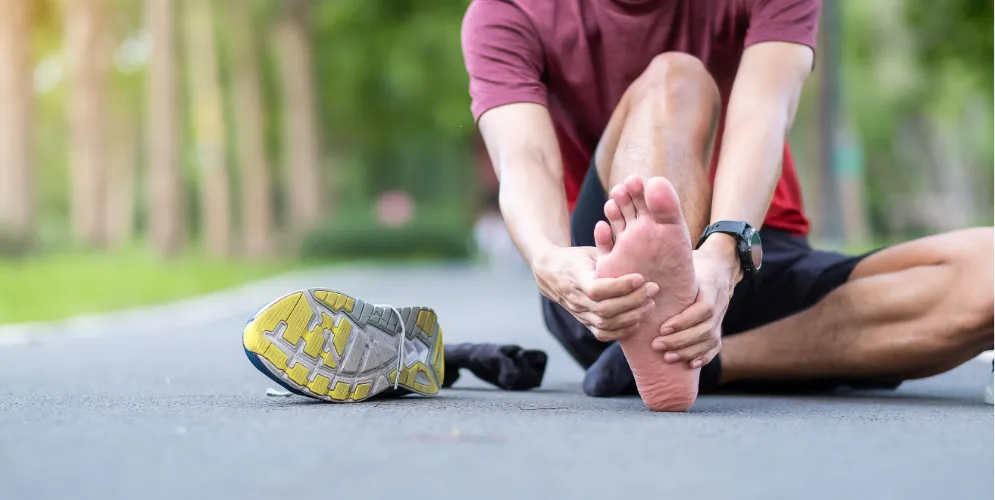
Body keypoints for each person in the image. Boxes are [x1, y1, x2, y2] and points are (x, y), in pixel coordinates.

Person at [461, 0, 994, 411]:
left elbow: (763, 113)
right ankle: (656, 304)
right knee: (678, 79)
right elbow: (526, 158)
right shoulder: (506, 12)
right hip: (608, 294)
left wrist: (722, 256)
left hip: (750, 250)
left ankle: (712, 361)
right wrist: (550, 258)